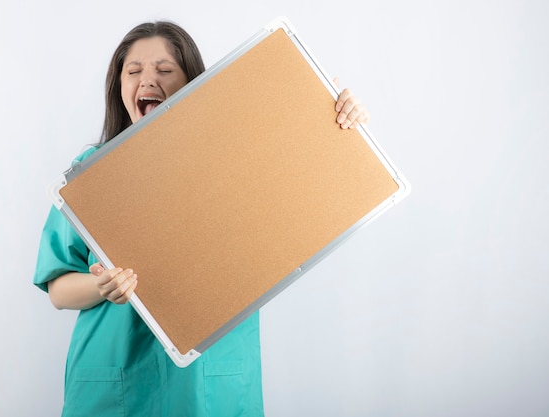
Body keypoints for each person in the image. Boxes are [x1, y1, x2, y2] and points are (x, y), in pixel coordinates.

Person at [34, 20, 370, 417]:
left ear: (193, 81)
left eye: (164, 70)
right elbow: (58, 288)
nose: (147, 81)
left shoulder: (241, 165)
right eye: (134, 70)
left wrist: (329, 113)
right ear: (118, 86)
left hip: (211, 382)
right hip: (116, 385)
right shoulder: (89, 177)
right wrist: (101, 285)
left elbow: (306, 181)